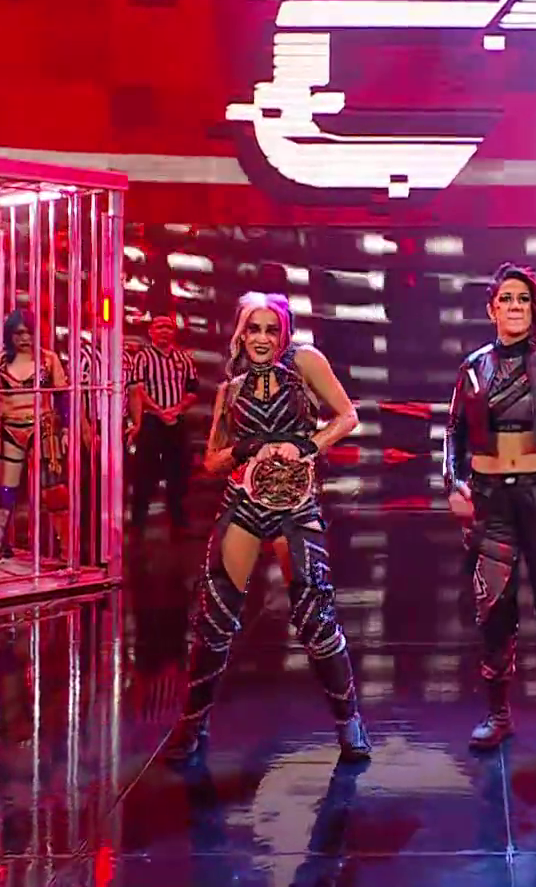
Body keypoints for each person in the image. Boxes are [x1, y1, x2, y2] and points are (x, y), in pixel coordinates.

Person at [171, 292, 371, 761]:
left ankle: (350, 722)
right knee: (214, 617)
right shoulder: (231, 388)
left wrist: (307, 446)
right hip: (243, 501)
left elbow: (348, 416)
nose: (262, 338)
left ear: (284, 332)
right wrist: (245, 449)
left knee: (315, 614)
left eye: (271, 329)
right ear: (241, 333)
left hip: (296, 506)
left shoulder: (305, 363)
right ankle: (192, 723)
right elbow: (212, 460)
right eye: (253, 329)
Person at [443, 264, 536, 760]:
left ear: (535, 308)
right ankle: (498, 715)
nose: (514, 306)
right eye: (505, 298)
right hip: (491, 501)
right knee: (493, 611)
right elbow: (453, 433)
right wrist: (454, 484)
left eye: (523, 299)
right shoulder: (473, 368)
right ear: (491, 309)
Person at [0, 309, 71, 565]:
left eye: (29, 333)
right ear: (10, 335)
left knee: (54, 490)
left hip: (44, 428)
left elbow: (62, 397)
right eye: (19, 333)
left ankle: (68, 550)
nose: (25, 338)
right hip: (10, 428)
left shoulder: (49, 359)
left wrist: (67, 429)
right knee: (5, 491)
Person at [129, 314, 198, 533]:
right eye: (159, 327)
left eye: (168, 327)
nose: (164, 331)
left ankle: (179, 523)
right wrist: (159, 411)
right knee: (144, 473)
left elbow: (193, 390)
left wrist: (176, 409)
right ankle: (138, 523)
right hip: (151, 420)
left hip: (176, 420)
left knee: (178, 473)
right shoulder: (142, 358)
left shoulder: (183, 359)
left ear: (174, 332)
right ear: (151, 332)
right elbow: (137, 389)